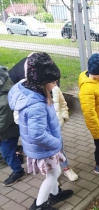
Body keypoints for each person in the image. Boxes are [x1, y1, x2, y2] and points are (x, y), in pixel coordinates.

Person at [8, 53, 73, 210]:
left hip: (46, 147)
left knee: (53, 172)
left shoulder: (33, 90)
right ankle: (39, 205)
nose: (56, 83)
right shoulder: (36, 105)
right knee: (53, 174)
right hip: (45, 149)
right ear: (42, 82)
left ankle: (55, 194)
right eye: (53, 81)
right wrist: (56, 143)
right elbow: (37, 135)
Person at [0, 66, 26, 187]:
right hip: (6, 130)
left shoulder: (4, 101)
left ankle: (18, 171)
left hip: (8, 132)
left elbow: (2, 123)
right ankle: (17, 152)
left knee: (6, 153)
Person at [52, 85, 79, 181]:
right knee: (47, 154)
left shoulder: (55, 88)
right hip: (40, 130)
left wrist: (63, 117)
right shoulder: (29, 90)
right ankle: (52, 176)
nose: (54, 83)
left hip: (55, 127)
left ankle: (66, 168)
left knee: (59, 149)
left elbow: (63, 103)